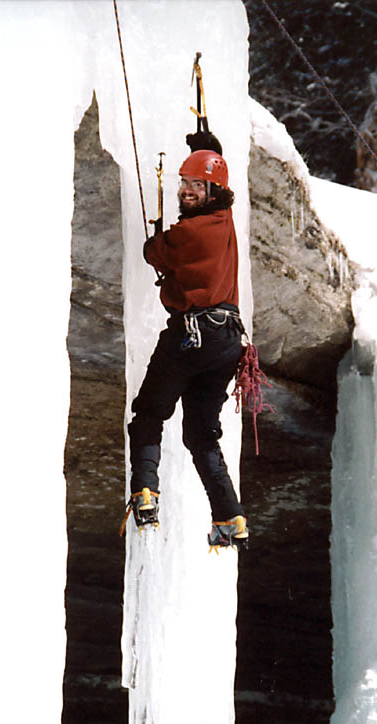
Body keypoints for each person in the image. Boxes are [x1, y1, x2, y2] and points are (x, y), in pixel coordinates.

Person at [127, 149, 248, 548]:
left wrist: (163, 235)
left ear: (213, 191)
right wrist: (208, 142)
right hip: (227, 341)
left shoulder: (186, 235)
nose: (188, 190)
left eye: (197, 185)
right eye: (185, 183)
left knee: (149, 411)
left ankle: (145, 493)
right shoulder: (224, 219)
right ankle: (229, 517)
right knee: (200, 434)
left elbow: (151, 252)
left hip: (192, 333)